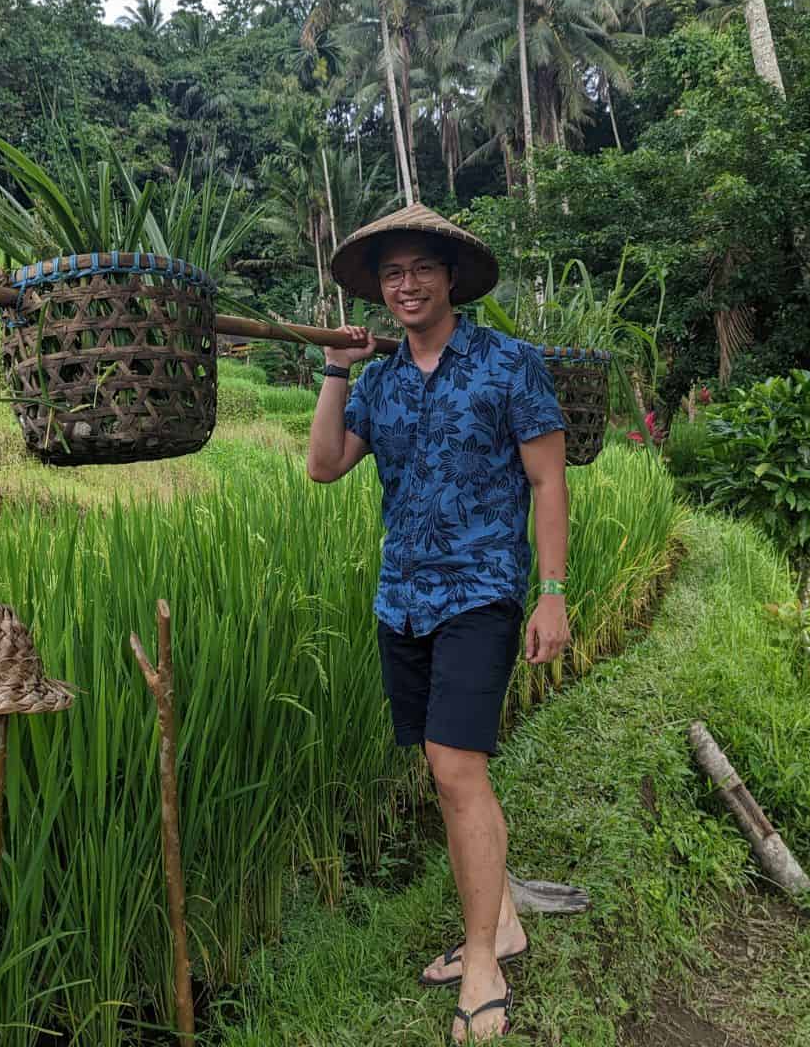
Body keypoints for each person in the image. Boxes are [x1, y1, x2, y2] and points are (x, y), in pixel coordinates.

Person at [306, 204, 572, 1043]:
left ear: (450, 277)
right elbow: (323, 467)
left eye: (421, 267)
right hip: (403, 600)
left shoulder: (507, 364)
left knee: (457, 767)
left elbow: (547, 482)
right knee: (446, 769)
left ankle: (483, 962)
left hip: (482, 592)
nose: (407, 284)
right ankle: (502, 926)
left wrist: (555, 591)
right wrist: (336, 371)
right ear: (379, 288)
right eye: (392, 273)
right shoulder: (379, 381)